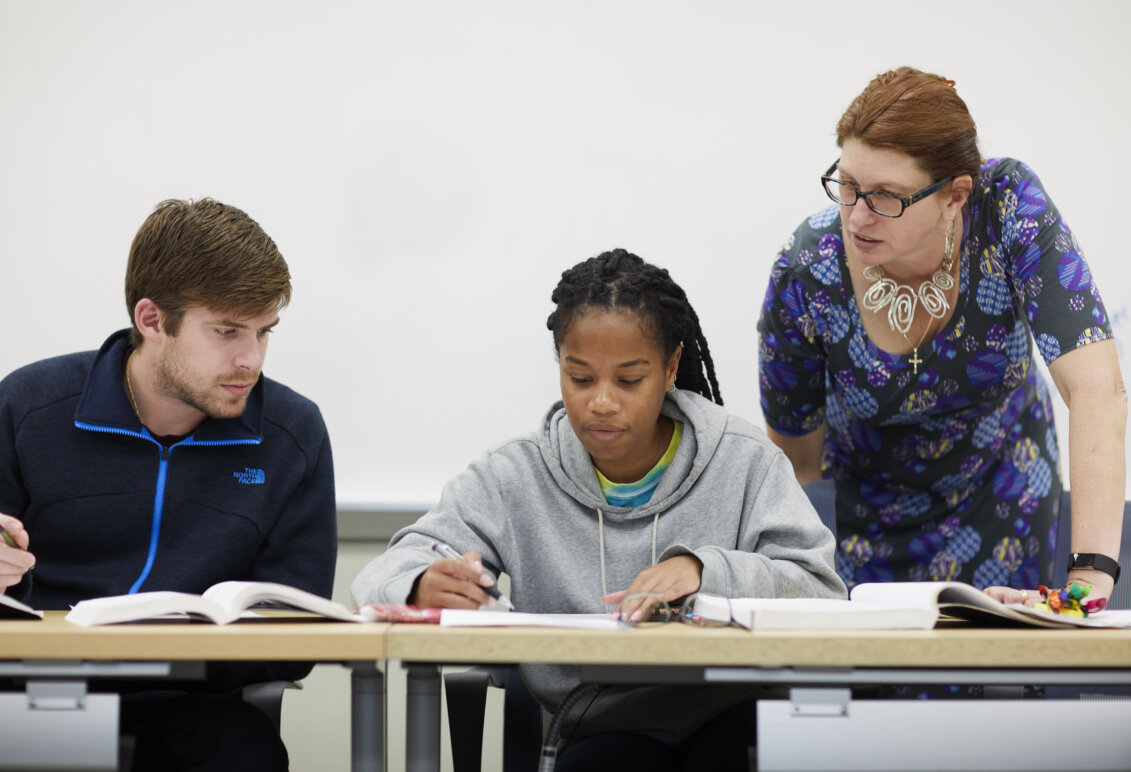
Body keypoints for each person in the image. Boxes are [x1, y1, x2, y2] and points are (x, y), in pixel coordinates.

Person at [353, 248, 844, 771]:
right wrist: (422, 584)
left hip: (732, 712)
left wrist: (705, 571)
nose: (602, 402)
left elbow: (821, 590)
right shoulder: (515, 474)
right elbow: (385, 572)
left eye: (629, 380)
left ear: (671, 366)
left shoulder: (744, 461)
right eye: (581, 378)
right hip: (600, 728)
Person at [758, 67, 1126, 608]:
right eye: (849, 185)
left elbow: (1098, 391)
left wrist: (1092, 576)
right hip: (865, 513)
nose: (857, 216)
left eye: (886, 196)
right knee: (869, 682)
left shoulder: (1005, 208)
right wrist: (800, 585)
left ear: (954, 196)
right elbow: (797, 456)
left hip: (1001, 493)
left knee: (994, 671)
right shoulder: (808, 267)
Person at [0, 198, 337, 771]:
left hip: (189, 704)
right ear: (152, 320)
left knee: (240, 755)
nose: (250, 360)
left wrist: (185, 654)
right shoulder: (29, 407)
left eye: (264, 332)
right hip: (31, 695)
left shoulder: (292, 434)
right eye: (227, 331)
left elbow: (295, 635)